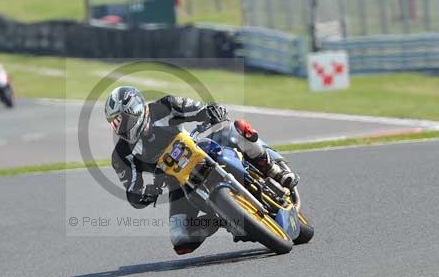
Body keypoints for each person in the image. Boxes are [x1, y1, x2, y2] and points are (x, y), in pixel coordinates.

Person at [105, 86, 298, 256]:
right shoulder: (121, 155)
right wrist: (144, 195)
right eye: (115, 123)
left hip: (201, 150)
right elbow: (133, 191)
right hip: (178, 183)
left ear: (137, 110)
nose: (120, 128)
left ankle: (274, 169)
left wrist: (212, 110)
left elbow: (200, 108)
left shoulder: (165, 106)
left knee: (236, 128)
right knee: (180, 238)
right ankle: (222, 218)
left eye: (122, 120)